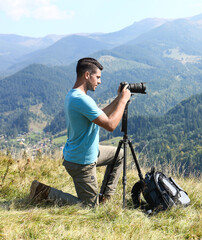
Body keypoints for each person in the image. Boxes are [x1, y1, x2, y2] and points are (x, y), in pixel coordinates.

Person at [29, 57, 131, 207]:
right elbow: (110, 125)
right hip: (82, 162)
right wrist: (123, 101)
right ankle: (42, 191)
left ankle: (104, 198)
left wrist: (118, 98)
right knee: (89, 208)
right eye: (98, 77)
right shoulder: (81, 100)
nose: (100, 81)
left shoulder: (75, 95)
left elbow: (100, 115)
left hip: (87, 152)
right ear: (87, 75)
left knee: (119, 155)